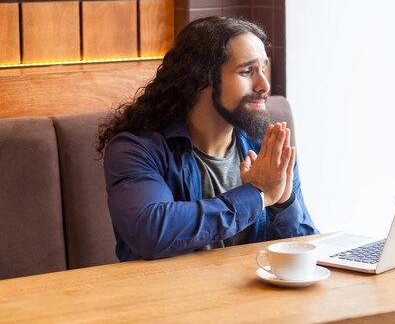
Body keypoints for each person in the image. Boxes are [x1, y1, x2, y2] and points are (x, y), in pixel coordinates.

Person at [97, 16, 318, 261]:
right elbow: (151, 232)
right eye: (247, 71)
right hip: (169, 297)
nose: (264, 84)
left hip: (252, 295)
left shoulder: (267, 149)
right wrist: (257, 194)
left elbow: (307, 247)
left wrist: (283, 203)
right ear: (203, 78)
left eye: (263, 69)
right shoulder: (137, 149)